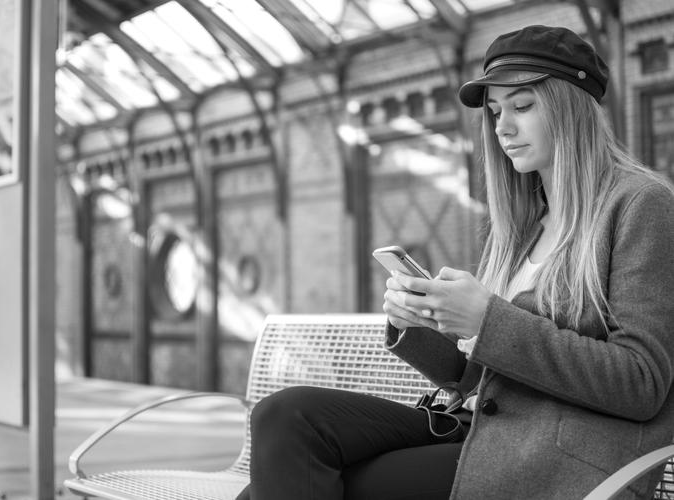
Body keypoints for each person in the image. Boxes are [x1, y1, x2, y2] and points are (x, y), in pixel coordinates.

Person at [236, 25, 674, 500]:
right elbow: (482, 377)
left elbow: (641, 382)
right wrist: (427, 324)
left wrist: (487, 321)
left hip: (557, 458)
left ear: (571, 107)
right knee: (284, 415)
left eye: (523, 106)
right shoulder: (520, 224)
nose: (503, 127)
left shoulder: (639, 205)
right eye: (496, 111)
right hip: (479, 428)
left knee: (272, 489)